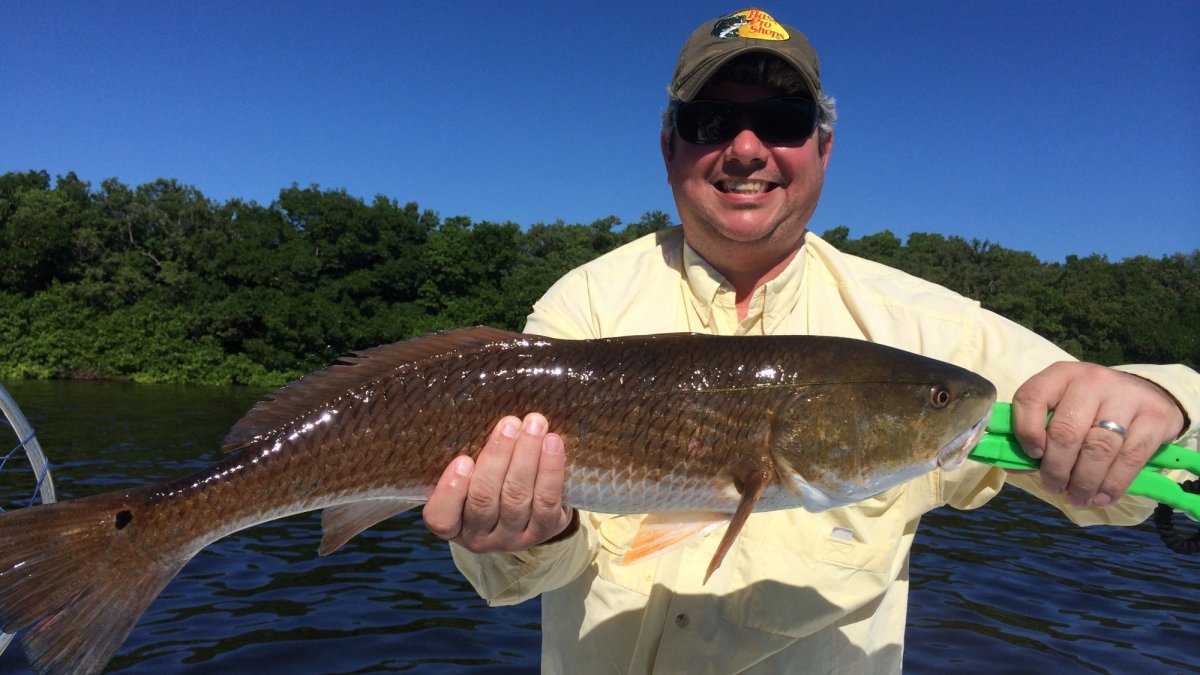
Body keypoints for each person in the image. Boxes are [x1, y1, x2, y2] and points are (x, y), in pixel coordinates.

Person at [422, 8, 1199, 673]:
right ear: (670, 148)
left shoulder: (933, 330)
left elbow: (1139, 486)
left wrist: (1165, 402)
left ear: (824, 147)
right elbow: (511, 582)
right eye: (711, 121)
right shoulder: (583, 305)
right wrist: (529, 534)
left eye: (785, 122)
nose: (748, 148)